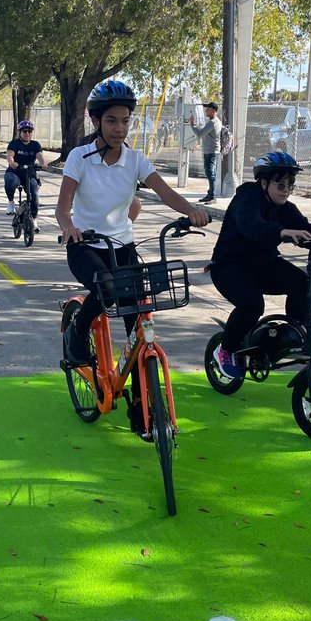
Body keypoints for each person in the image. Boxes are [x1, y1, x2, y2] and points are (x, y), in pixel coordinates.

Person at [56, 80, 209, 430]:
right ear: (97, 121)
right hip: (85, 247)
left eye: (125, 121)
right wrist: (69, 228)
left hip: (122, 248)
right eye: (111, 120)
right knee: (106, 288)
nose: (119, 128)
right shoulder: (80, 158)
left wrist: (190, 211)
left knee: (139, 320)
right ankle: (78, 329)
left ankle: (142, 410)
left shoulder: (135, 160)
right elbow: (63, 208)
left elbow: (166, 192)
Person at [207, 151, 311, 378]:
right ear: (264, 183)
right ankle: (226, 349)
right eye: (280, 184)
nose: (286, 190)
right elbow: (251, 225)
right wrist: (282, 232)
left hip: (263, 265)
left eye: (290, 185)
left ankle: (295, 337)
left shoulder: (286, 208)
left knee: (301, 282)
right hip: (229, 267)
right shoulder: (246, 200)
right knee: (252, 304)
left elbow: (306, 229)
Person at [4, 120, 47, 223]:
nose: (27, 133)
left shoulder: (35, 145)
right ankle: (10, 203)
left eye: (30, 131)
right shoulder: (14, 143)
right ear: (20, 132)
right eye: (25, 131)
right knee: (11, 180)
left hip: (29, 174)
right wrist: (12, 163)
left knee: (34, 195)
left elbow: (40, 156)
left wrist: (43, 164)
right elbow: (10, 155)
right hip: (15, 172)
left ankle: (34, 219)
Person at [187, 101, 230, 204]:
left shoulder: (212, 123)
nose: (206, 111)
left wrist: (192, 124)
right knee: (210, 172)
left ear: (214, 111)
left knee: (210, 173)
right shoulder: (215, 122)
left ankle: (212, 196)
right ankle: (210, 193)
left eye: (208, 109)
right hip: (210, 151)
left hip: (211, 151)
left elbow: (199, 134)